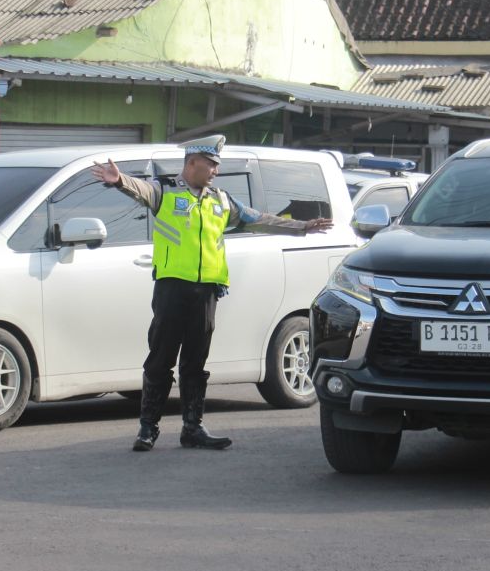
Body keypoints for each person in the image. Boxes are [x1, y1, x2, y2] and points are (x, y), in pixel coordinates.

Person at [92, 135, 334, 452]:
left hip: (206, 292)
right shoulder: (165, 192)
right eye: (212, 165)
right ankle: (148, 429)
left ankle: (192, 428)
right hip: (171, 289)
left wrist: (302, 226)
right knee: (160, 360)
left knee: (196, 363)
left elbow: (258, 219)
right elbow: (141, 190)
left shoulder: (221, 201)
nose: (216, 172)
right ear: (193, 163)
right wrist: (119, 180)